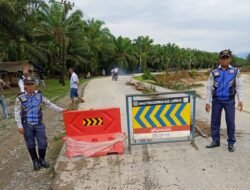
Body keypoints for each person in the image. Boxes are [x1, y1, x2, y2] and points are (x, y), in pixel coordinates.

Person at [14, 77, 66, 171]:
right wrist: (19, 126)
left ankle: (42, 159)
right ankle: (35, 161)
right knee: (30, 144)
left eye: (32, 84)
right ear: (25, 85)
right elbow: (17, 112)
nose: (30, 87)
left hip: (38, 124)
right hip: (27, 124)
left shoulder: (39, 96)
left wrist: (61, 110)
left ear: (35, 85)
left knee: (43, 143)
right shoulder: (20, 98)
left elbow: (49, 104)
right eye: (28, 84)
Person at [205, 49, 243, 152]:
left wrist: (240, 100)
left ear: (230, 59)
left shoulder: (235, 71)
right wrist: (207, 102)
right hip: (216, 101)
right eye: (223, 58)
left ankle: (231, 143)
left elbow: (239, 87)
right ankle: (215, 141)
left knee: (230, 122)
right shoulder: (214, 72)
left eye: (227, 58)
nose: (224, 60)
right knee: (214, 122)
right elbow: (209, 88)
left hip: (229, 101)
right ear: (219, 59)